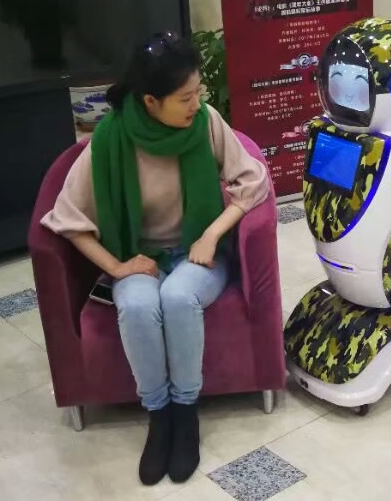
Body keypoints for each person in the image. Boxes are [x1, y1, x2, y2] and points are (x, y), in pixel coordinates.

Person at [41, 32, 269, 486]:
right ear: (150, 101)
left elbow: (253, 182)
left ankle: (185, 414)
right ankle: (159, 415)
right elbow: (66, 218)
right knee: (139, 304)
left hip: (197, 250)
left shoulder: (206, 123)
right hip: (139, 254)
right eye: (185, 98)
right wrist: (117, 267)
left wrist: (211, 234)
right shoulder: (109, 139)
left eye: (198, 92)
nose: (196, 104)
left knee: (179, 298)